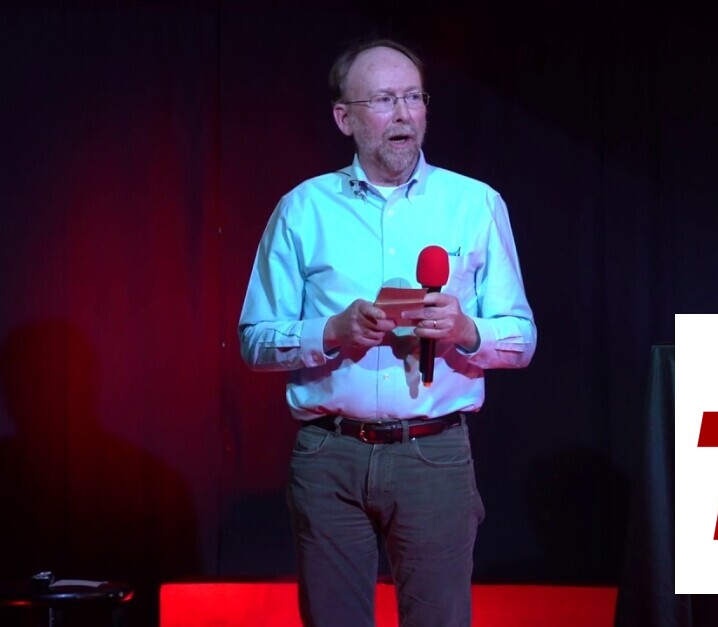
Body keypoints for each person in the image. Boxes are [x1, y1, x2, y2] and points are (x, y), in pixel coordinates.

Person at [237, 37, 537, 627]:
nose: (403, 114)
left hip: (433, 453)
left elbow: (521, 338)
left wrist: (464, 329)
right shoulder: (303, 209)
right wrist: (331, 331)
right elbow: (254, 340)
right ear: (344, 118)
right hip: (329, 454)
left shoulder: (474, 203)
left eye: (413, 98)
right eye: (382, 100)